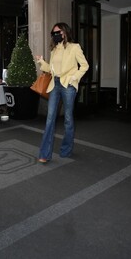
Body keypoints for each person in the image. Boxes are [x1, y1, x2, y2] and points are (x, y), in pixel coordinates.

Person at [36, 22, 89, 163]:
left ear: (64, 32)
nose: (55, 35)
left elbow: (85, 65)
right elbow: (51, 70)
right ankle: (45, 153)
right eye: (53, 33)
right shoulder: (54, 50)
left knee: (68, 119)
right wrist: (42, 61)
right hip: (55, 84)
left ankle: (66, 149)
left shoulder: (74, 47)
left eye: (57, 32)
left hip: (68, 85)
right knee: (50, 119)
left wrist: (74, 78)